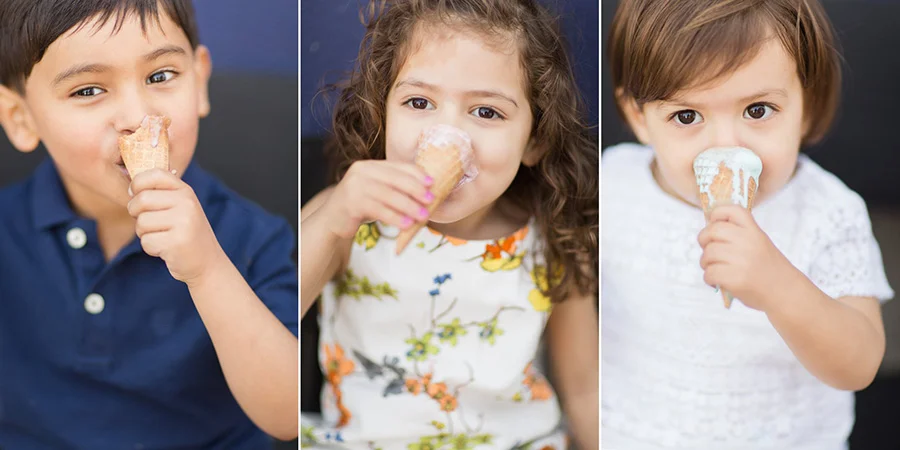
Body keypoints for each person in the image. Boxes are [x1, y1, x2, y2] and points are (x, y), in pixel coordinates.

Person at [299, 0, 599, 448]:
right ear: (383, 112)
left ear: (535, 140)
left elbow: (585, 387)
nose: (446, 133)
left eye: (486, 112)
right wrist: (332, 221)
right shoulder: (344, 218)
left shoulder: (554, 240)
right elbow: (276, 317)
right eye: (419, 102)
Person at [0, 1, 298, 447]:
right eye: (88, 91)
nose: (138, 117)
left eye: (160, 77)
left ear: (199, 81)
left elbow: (287, 415)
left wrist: (207, 271)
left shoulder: (254, 239)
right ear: (21, 119)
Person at [602, 0, 894, 448]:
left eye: (757, 110)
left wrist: (779, 286)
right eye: (687, 116)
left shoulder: (826, 212)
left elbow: (859, 364)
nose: (725, 144)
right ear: (639, 117)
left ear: (808, 106)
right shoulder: (615, 182)